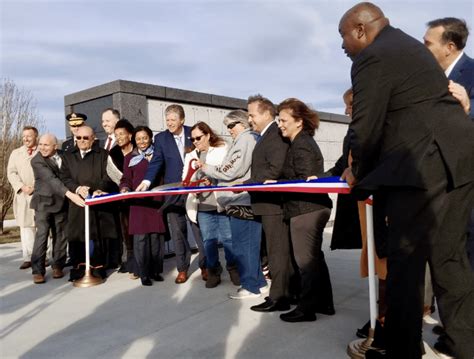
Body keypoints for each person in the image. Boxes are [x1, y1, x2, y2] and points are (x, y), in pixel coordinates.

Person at [338, 3, 474, 358]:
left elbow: (365, 127)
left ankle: (400, 350)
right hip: (457, 159)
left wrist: (357, 172)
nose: (342, 46)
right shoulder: (410, 47)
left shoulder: (373, 56)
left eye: (343, 36)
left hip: (422, 166)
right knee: (450, 258)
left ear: (361, 30)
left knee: (405, 263)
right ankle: (464, 345)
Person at [268, 98, 334, 323]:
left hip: (306, 209)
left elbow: (307, 180)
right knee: (314, 259)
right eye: (278, 120)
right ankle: (324, 303)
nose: (280, 124)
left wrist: (278, 183)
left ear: (299, 121)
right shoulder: (302, 141)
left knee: (305, 262)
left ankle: (306, 309)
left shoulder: (301, 143)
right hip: (310, 208)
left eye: (284, 120)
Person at [199, 110, 268, 299]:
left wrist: (207, 168)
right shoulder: (251, 139)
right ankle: (259, 283)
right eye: (227, 126)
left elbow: (232, 170)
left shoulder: (245, 140)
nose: (229, 130)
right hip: (246, 200)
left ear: (244, 123)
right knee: (250, 247)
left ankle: (250, 286)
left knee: (242, 247)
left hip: (240, 202)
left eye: (232, 125)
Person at [136, 104, 206, 284]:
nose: (169, 123)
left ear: (182, 119)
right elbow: (156, 162)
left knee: (199, 230)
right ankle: (182, 268)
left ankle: (206, 266)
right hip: (173, 194)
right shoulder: (161, 139)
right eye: (167, 120)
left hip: (194, 191)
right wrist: (146, 182)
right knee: (178, 232)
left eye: (173, 119)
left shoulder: (194, 133)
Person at [244, 95, 294, 312]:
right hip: (266, 204)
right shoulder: (267, 135)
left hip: (273, 205)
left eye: (252, 115)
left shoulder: (275, 135)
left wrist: (247, 183)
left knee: (277, 253)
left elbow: (275, 169)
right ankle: (285, 293)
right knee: (276, 251)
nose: (249, 119)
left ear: (266, 113)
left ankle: (279, 297)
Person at [183, 122, 239, 288]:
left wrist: (212, 178)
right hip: (202, 206)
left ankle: (233, 269)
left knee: (228, 240)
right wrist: (195, 183)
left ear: (207, 135)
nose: (195, 141)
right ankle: (214, 271)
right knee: (209, 241)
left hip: (220, 203)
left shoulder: (222, 150)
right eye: (192, 139)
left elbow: (228, 173)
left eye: (198, 137)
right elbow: (185, 179)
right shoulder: (190, 155)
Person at [60, 126, 120, 280]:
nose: (81, 141)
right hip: (77, 203)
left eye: (85, 138)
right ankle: (79, 270)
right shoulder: (68, 156)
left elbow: (109, 176)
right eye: (78, 138)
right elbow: (64, 178)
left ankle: (98, 270)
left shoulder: (103, 155)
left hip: (98, 203)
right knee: (77, 236)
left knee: (97, 236)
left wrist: (98, 189)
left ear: (93, 138)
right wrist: (77, 188)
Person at [30, 134, 85, 284]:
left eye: (46, 145)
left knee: (61, 235)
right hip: (44, 204)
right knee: (42, 235)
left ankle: (58, 266)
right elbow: (51, 180)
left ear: (55, 146)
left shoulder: (64, 155)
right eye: (40, 144)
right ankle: (37, 270)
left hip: (61, 203)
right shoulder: (37, 160)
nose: (42, 147)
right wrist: (71, 195)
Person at [120, 126, 166, 286]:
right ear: (134, 140)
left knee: (155, 238)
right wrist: (125, 188)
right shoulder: (129, 158)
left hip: (155, 201)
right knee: (141, 240)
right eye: (138, 139)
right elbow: (125, 178)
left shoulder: (158, 154)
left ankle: (155, 271)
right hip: (138, 203)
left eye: (145, 138)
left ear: (150, 138)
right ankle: (144, 273)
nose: (142, 142)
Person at [424, 17, 474, 119]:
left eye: (428, 43)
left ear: (449, 48)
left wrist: (468, 105)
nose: (422, 48)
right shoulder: (427, 74)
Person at [107, 119, 136, 275]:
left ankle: (140, 259)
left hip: (139, 197)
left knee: (139, 229)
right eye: (116, 134)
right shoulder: (113, 153)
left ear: (130, 135)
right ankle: (130, 259)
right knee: (125, 230)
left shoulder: (138, 150)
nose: (118, 137)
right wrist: (124, 186)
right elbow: (112, 175)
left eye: (121, 134)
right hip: (122, 198)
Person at [7, 126, 39, 270]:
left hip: (39, 193)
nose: (26, 139)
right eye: (24, 136)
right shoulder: (16, 153)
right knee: (26, 227)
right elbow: (11, 173)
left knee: (41, 226)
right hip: (23, 194)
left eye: (29, 136)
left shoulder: (41, 151)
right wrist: (22, 187)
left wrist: (35, 187)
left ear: (36, 137)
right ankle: (28, 257)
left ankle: (43, 256)